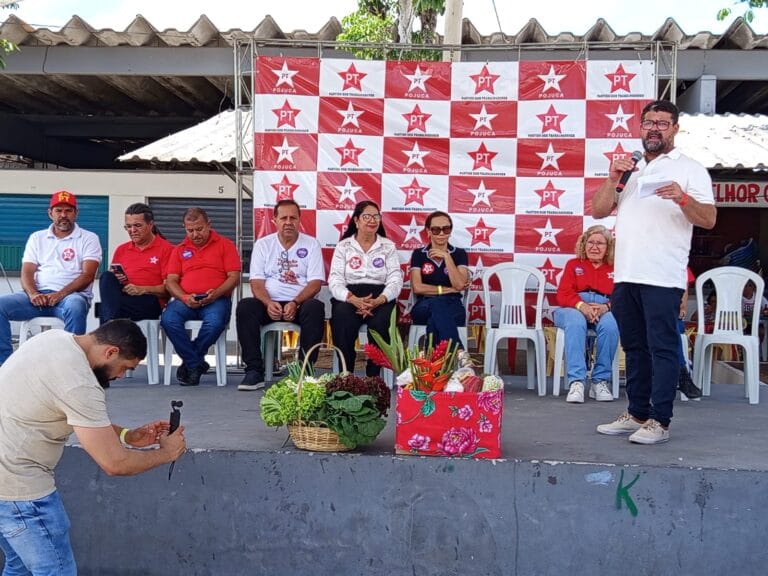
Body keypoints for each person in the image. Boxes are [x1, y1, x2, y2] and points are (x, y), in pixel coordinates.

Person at [0, 319, 186, 575]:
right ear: (111, 352)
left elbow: (78, 416)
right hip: (19, 490)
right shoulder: (80, 382)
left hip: (6, 483)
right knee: (57, 571)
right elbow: (115, 463)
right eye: (124, 368)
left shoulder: (53, 339)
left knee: (19, 567)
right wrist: (167, 453)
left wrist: (127, 436)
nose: (120, 376)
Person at [592, 99, 717, 445]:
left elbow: (709, 219)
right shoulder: (630, 169)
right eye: (649, 122)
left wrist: (682, 198)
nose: (654, 129)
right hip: (626, 275)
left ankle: (660, 420)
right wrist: (612, 178)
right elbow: (598, 210)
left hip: (663, 276)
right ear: (641, 126)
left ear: (675, 129)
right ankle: (636, 413)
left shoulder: (690, 169)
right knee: (634, 348)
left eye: (662, 123)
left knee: (662, 348)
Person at [0, 190, 102, 365]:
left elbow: (88, 276)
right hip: (37, 297)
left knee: (76, 306)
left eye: (68, 210)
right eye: (58, 210)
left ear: (76, 213)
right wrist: (33, 293)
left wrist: (60, 294)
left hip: (70, 297)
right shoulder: (37, 237)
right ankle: (5, 365)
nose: (63, 215)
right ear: (50, 213)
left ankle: (70, 365)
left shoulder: (88, 238)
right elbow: (27, 272)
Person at [235, 200, 326, 391]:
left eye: (293, 218)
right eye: (283, 218)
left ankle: (304, 371)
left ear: (299, 220)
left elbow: (315, 283)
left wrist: (295, 302)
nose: (288, 222)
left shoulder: (311, 244)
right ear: (275, 220)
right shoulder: (263, 244)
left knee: (315, 308)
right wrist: (268, 303)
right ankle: (254, 371)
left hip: (299, 304)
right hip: (269, 304)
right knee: (245, 306)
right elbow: (256, 283)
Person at [161, 208, 241, 386]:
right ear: (184, 228)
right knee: (168, 320)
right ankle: (195, 363)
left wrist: (216, 293)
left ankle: (191, 363)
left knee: (215, 323)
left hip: (216, 299)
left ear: (208, 225)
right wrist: (184, 297)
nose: (195, 234)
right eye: (190, 230)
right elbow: (171, 281)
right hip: (186, 300)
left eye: (199, 229)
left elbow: (234, 277)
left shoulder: (225, 245)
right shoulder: (179, 250)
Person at [329, 200, 403, 377]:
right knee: (342, 320)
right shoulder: (343, 246)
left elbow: (395, 278)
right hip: (350, 296)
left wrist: (380, 300)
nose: (372, 220)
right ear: (356, 220)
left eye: (376, 217)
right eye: (367, 216)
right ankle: (346, 375)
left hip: (380, 297)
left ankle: (373, 377)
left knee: (381, 323)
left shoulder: (388, 246)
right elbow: (335, 279)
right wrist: (352, 299)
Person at [553, 225, 619, 403]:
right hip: (573, 307)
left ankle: (600, 381)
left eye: (600, 243)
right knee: (575, 322)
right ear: (583, 244)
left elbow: (624, 295)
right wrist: (581, 305)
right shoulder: (573, 264)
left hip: (604, 307)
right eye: (590, 242)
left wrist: (606, 307)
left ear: (608, 247)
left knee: (611, 325)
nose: (594, 247)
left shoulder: (616, 267)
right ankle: (577, 382)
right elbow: (563, 294)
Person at [409, 211, 472, 367]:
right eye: (436, 230)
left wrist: (447, 257)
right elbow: (417, 287)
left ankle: (433, 368)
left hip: (453, 305)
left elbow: (459, 285)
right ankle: (459, 351)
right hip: (424, 305)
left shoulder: (459, 254)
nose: (442, 233)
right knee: (437, 303)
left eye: (446, 229)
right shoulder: (419, 254)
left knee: (435, 320)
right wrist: (447, 290)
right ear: (428, 231)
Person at [99, 203, 174, 324]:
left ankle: (109, 328)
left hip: (150, 301)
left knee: (106, 308)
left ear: (150, 224)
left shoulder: (167, 249)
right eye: (128, 226)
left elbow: (170, 289)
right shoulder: (122, 249)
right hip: (124, 297)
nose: (132, 230)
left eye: (137, 225)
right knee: (107, 276)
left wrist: (142, 289)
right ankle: (111, 325)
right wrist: (118, 278)